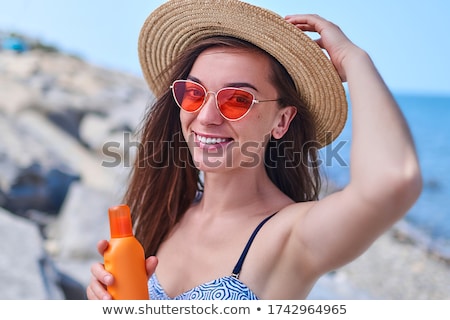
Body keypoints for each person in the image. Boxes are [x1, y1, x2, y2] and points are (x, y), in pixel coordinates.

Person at [87, 0, 422, 300]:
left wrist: (355, 59)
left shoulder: (291, 235)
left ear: (281, 120)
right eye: (195, 93)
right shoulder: (167, 211)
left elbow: (393, 180)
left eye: (237, 100)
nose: (206, 117)